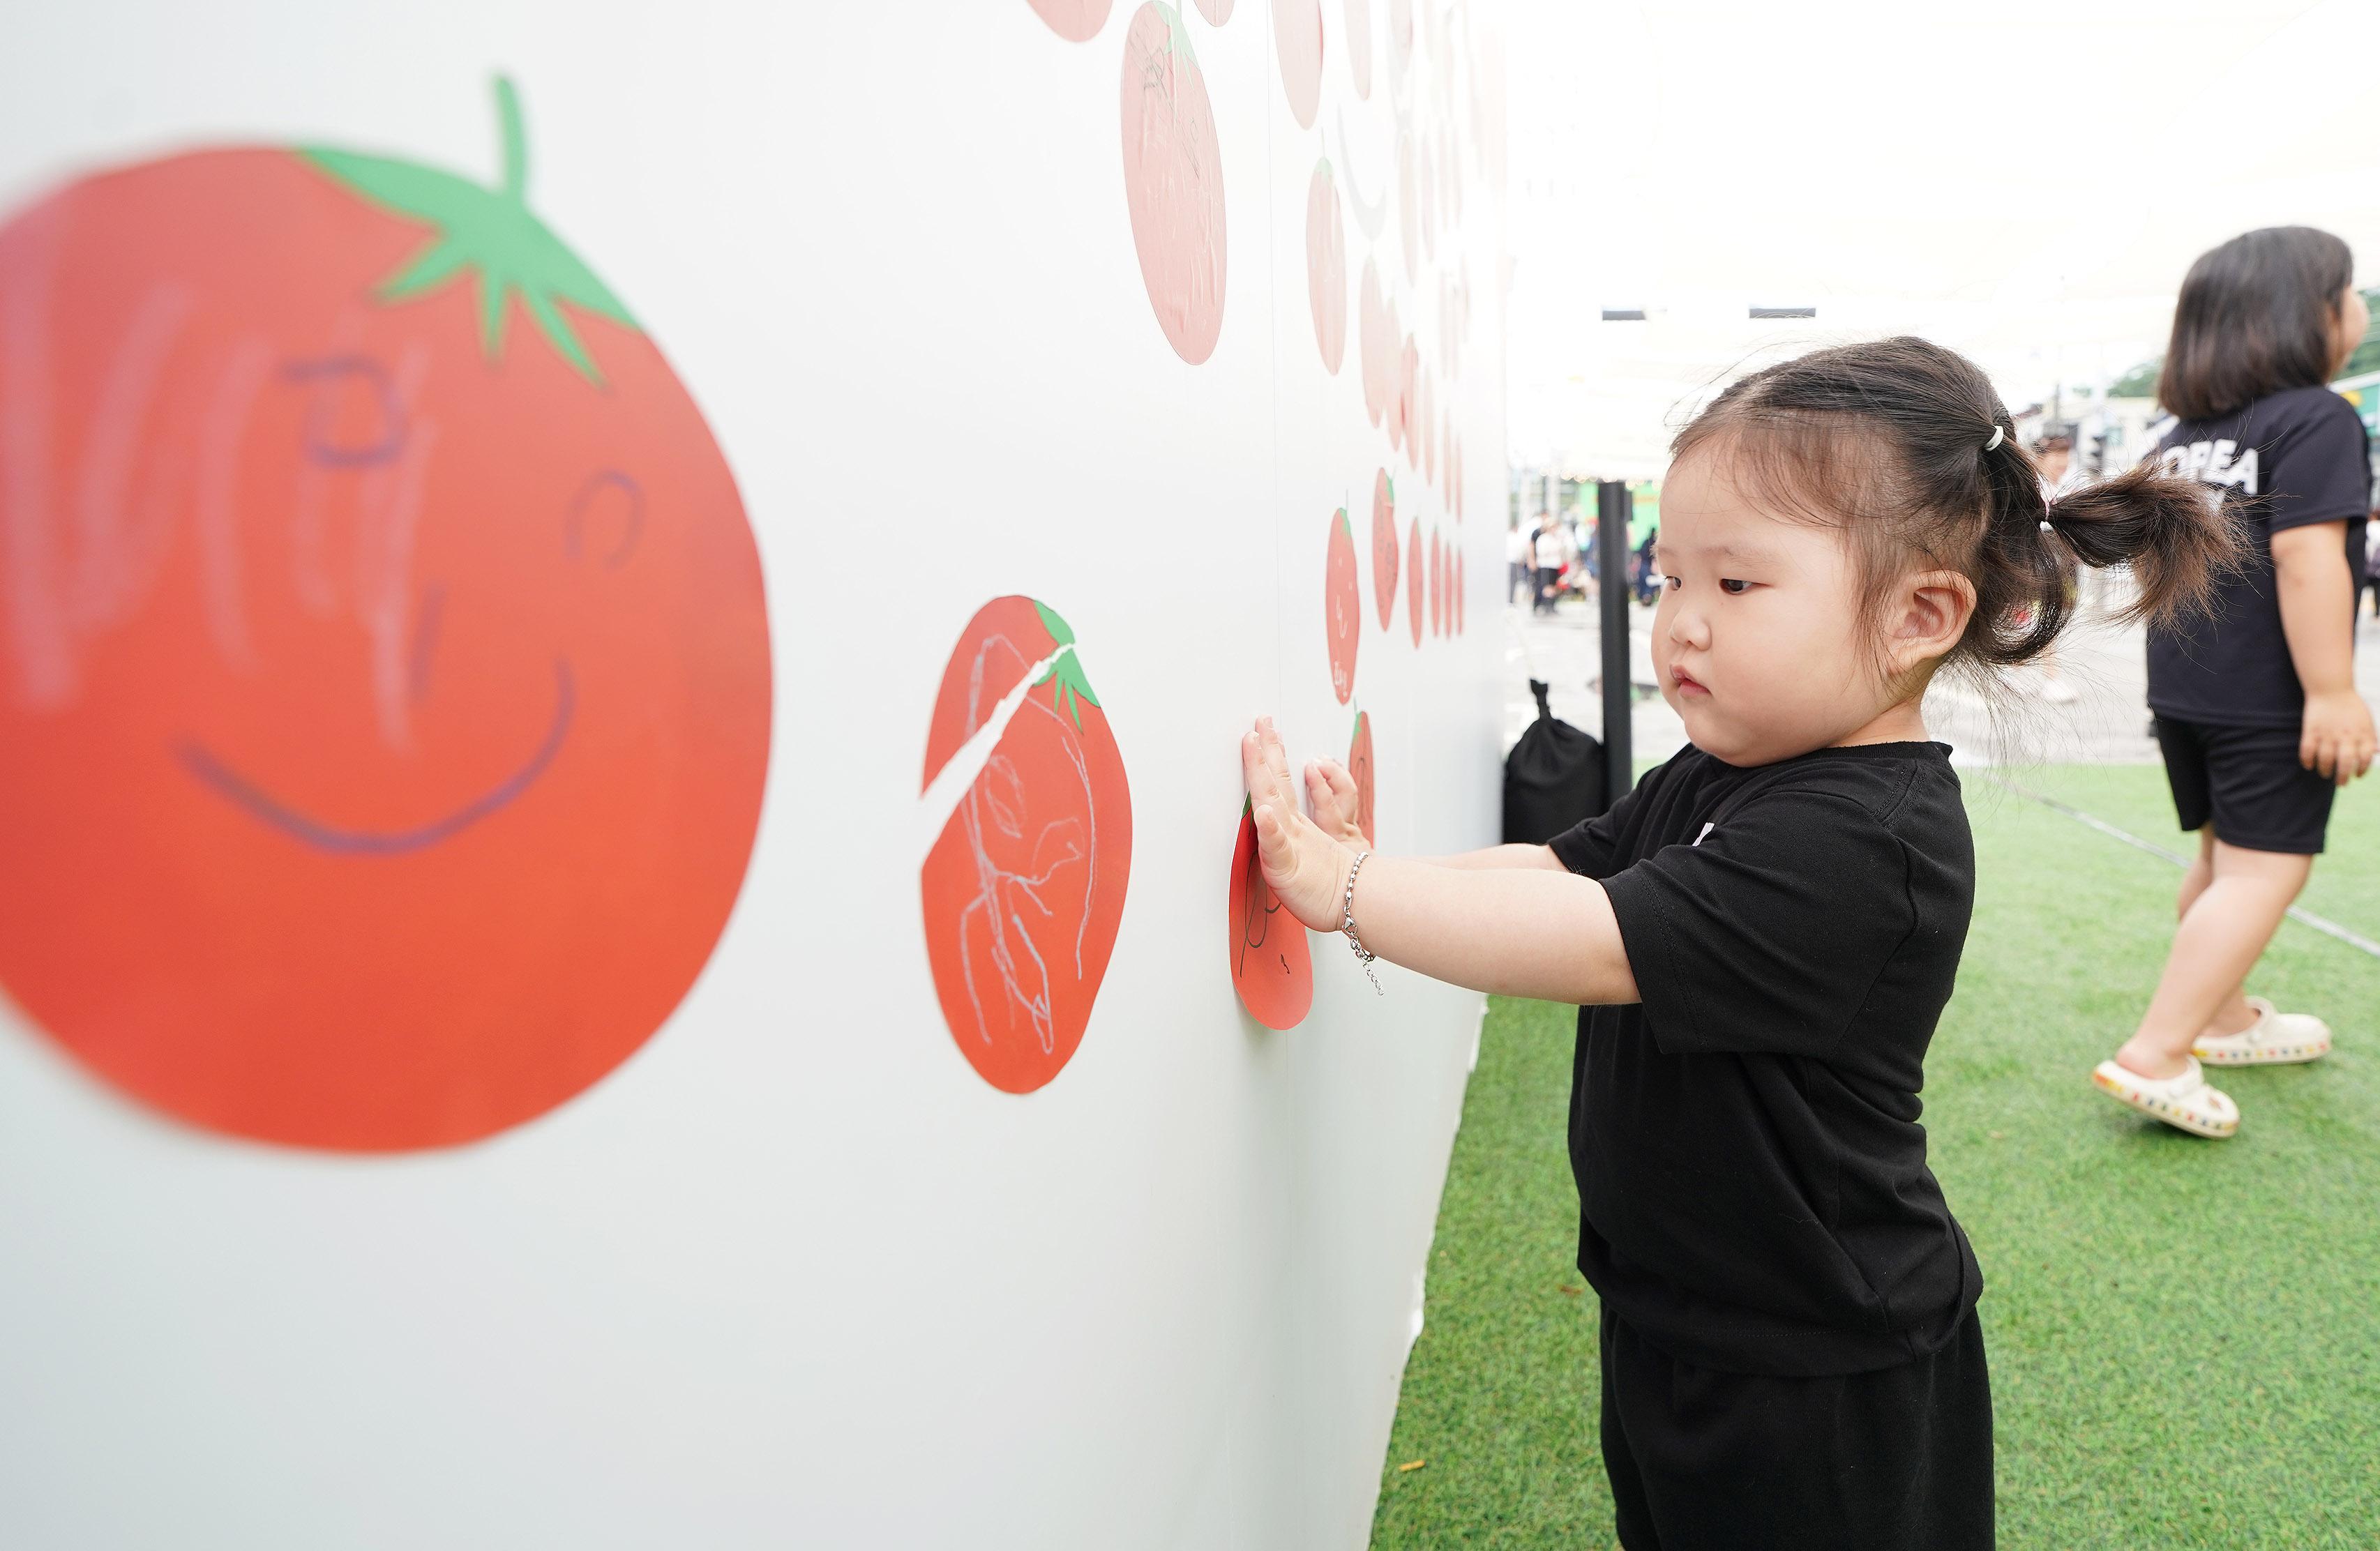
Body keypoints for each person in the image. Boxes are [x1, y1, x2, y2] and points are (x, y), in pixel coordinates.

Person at [1238, 337, 2229, 1550]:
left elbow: (1588, 934)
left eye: (1737, 587)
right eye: (1669, 578)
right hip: (1679, 1315)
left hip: (1818, 1364)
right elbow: (1554, 869)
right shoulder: (1720, 769)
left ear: (1920, 612)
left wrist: (1342, 887)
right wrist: (1377, 871)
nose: (1680, 625)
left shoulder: (1867, 842)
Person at [2093, 226, 2379, 1138]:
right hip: (2267, 694)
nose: (2358, 308)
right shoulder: (2316, 417)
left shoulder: (2181, 438)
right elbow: (2308, 560)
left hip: (2185, 689)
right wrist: (2332, 691)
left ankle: (2221, 1017)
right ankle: (2157, 1054)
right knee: (2266, 871)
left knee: (2222, 864)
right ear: (2306, 316)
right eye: (2349, 292)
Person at [1532, 510, 1567, 614]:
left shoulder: (1557, 538)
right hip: (1545, 565)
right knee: (1546, 586)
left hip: (1555, 565)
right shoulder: (1543, 538)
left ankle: (1552, 604)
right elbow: (1542, 551)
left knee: (1553, 585)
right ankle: (1546, 605)